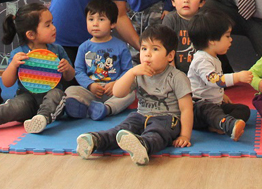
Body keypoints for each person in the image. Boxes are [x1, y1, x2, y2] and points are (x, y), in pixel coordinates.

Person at [75, 24, 193, 165]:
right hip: (140, 115)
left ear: (170, 56)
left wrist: (185, 135)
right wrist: (131, 73)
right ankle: (95, 140)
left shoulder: (177, 77)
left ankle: (143, 145)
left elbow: (186, 109)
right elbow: (118, 92)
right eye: (144, 48)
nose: (147, 54)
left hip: (166, 119)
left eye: (155, 49)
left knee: (157, 133)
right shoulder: (138, 73)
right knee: (121, 129)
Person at [0, 3, 75, 134]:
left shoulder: (57, 50)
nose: (53, 28)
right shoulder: (19, 54)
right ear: (31, 34)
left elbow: (70, 77)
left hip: (51, 102)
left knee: (57, 94)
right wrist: (13, 65)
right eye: (47, 25)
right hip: (27, 99)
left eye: (52, 23)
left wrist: (67, 68)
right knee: (13, 107)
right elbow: (7, 82)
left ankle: (42, 119)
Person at [63, 0, 136, 121]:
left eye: (101, 19)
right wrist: (90, 85)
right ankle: (81, 109)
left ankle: (106, 109)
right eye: (91, 19)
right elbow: (79, 71)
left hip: (113, 91)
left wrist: (116, 84)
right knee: (71, 90)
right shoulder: (84, 47)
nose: (95, 24)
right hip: (92, 91)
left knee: (130, 94)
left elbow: (127, 71)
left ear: (113, 23)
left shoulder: (121, 46)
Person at [186, 8, 253, 140]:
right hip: (197, 108)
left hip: (214, 105)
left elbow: (209, 86)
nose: (231, 40)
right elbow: (214, 80)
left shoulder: (213, 57)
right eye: (227, 36)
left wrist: (220, 95)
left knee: (243, 110)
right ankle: (227, 125)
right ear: (212, 40)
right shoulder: (201, 59)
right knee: (209, 110)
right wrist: (237, 77)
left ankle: (217, 125)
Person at [161, 0, 207, 73]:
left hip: (202, 72)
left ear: (202, 2)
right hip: (176, 72)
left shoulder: (206, 20)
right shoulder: (170, 20)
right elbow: (167, 49)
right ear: (173, 2)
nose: (186, 0)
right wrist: (174, 75)